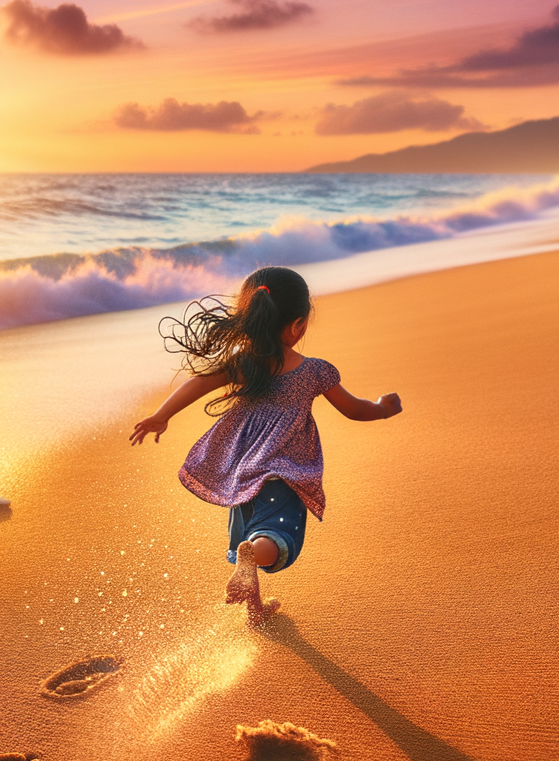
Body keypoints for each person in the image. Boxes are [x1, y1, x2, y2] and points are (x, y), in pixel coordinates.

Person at [129, 266, 402, 624]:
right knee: (277, 537)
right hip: (283, 472)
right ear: (298, 325)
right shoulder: (315, 371)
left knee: (251, 534)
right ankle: (251, 560)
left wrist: (162, 415)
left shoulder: (244, 365)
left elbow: (197, 382)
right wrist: (383, 409)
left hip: (241, 471)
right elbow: (353, 409)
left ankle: (255, 609)